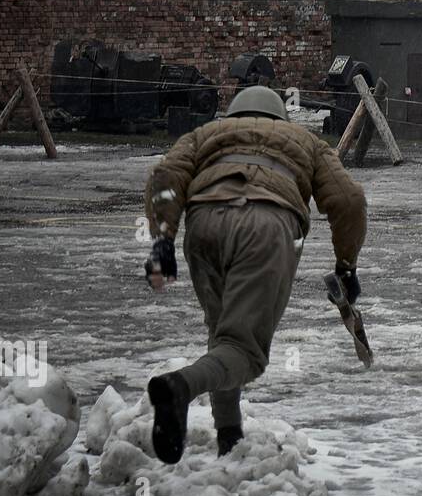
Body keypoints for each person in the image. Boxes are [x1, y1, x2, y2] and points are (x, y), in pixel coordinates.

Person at [141, 85, 368, 463]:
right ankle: (179, 386)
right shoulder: (306, 140)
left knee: (224, 336)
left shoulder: (205, 134)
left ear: (233, 114)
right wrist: (346, 266)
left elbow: (166, 176)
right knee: (244, 350)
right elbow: (349, 201)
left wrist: (162, 241)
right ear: (281, 116)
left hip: (203, 224)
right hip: (266, 223)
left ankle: (229, 437)